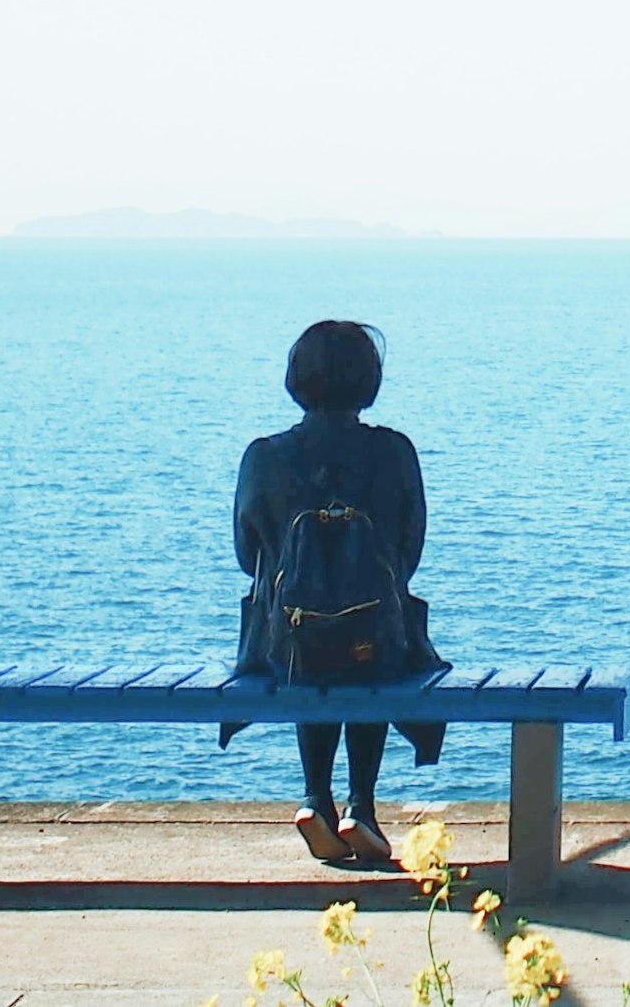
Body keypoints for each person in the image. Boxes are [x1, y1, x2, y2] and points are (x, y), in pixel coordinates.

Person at [234, 318, 441, 867]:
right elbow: (411, 550)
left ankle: (314, 798)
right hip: (379, 638)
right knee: (368, 649)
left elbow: (244, 556)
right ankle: (361, 808)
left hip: (289, 647)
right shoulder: (395, 452)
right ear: (367, 380)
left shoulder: (264, 456)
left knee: (310, 643)